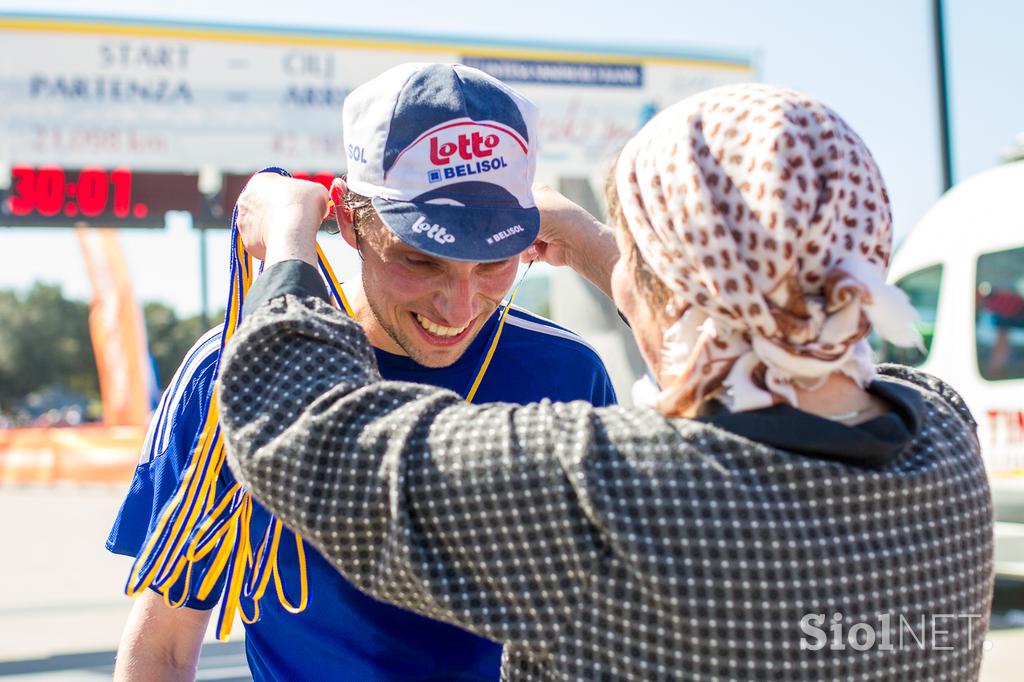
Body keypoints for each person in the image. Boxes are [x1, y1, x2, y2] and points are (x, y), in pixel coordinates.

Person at [218, 83, 994, 681]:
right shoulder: (945, 442)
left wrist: (289, 246)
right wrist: (603, 248)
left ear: (675, 293)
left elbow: (306, 433)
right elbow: (775, 353)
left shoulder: (607, 493)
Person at [106, 63, 617, 681]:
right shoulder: (232, 371)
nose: (458, 308)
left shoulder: (568, 374)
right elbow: (164, 643)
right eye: (420, 260)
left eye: (492, 263)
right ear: (348, 219)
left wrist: (592, 241)